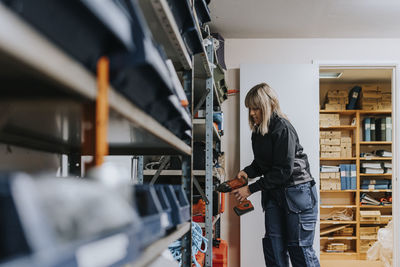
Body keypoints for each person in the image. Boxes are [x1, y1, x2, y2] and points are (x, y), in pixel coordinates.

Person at [232, 82, 320, 267]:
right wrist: (247, 173)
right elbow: (262, 164)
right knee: (273, 247)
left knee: (299, 249)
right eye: (249, 108)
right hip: (274, 193)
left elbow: (283, 171)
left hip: (297, 193)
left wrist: (251, 189)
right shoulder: (258, 132)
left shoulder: (283, 128)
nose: (252, 113)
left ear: (268, 105)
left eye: (256, 108)